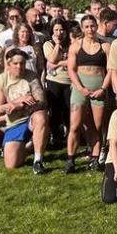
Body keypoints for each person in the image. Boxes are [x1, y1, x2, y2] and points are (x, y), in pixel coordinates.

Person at [0, 49, 49, 174]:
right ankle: (31, 146)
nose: (20, 67)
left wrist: (22, 105)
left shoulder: (31, 76)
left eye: (22, 63)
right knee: (11, 164)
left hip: (31, 119)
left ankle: (38, 160)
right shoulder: (0, 81)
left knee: (40, 116)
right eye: (16, 64)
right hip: (14, 122)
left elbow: (42, 102)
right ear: (8, 64)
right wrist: (16, 103)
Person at [66, 14, 110, 173]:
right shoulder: (76, 45)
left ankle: (95, 158)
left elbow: (111, 70)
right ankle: (70, 159)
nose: (90, 29)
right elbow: (71, 69)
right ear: (82, 28)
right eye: (87, 27)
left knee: (96, 126)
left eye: (92, 26)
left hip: (99, 87)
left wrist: (103, 89)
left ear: (96, 26)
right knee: (75, 125)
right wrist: (80, 87)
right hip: (80, 88)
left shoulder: (105, 46)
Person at [43, 19, 72, 148]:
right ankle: (55, 136)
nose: (59, 33)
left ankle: (70, 137)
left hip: (69, 81)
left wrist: (58, 64)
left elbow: (72, 61)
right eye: (56, 30)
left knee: (68, 110)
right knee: (54, 111)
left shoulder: (71, 44)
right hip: (54, 81)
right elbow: (51, 58)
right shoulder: (48, 44)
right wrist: (57, 44)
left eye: (61, 30)